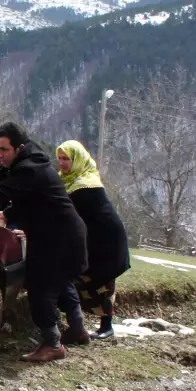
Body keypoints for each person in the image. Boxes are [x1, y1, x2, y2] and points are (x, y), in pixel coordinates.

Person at [0, 122, 88, 362]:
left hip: (58, 238)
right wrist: (9, 215)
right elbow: (30, 198)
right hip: (59, 234)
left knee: (41, 290)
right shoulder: (28, 163)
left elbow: (0, 192)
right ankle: (78, 329)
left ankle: (53, 344)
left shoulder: (31, 169)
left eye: (3, 149)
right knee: (59, 285)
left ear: (18, 148)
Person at [56, 140, 131, 340]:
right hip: (92, 237)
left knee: (103, 281)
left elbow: (63, 211)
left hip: (107, 239)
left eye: (67, 159)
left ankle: (106, 327)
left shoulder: (84, 184)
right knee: (80, 277)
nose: (62, 163)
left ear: (78, 160)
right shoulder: (67, 179)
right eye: (60, 158)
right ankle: (74, 321)